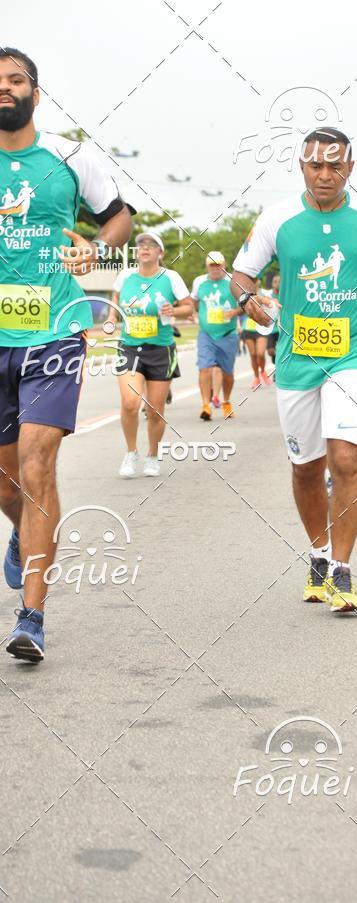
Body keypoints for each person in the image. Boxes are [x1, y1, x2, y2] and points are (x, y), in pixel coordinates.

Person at [231, 127, 357, 613]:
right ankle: (317, 552)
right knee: (306, 468)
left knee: (346, 457)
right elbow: (241, 274)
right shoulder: (278, 219)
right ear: (301, 166)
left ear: (350, 169)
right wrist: (248, 297)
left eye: (335, 166)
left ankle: (342, 570)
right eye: (316, 165)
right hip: (297, 359)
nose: (325, 174)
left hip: (355, 355)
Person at [0, 48, 133, 661]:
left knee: (35, 464)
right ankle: (24, 530)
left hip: (54, 331)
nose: (5, 89)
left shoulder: (69, 156)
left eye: (15, 79)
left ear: (35, 90)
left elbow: (119, 218)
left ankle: (32, 617)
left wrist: (95, 251)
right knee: (7, 481)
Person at [110, 231, 192, 477]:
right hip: (129, 346)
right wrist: (112, 316)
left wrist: (174, 310)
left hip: (160, 348)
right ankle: (131, 452)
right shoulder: (125, 276)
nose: (145, 248)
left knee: (155, 409)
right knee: (130, 403)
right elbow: (116, 298)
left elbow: (189, 307)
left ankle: (153, 455)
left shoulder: (171, 277)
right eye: (141, 244)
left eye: (151, 244)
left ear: (160, 252)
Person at [192, 251, 240, 421]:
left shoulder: (233, 282)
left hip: (228, 333)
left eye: (218, 264)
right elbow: (195, 302)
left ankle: (226, 401)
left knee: (227, 372)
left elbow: (246, 304)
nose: (215, 268)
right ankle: (206, 405)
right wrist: (195, 314)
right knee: (205, 368)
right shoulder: (199, 282)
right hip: (206, 333)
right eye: (212, 265)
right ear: (207, 266)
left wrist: (234, 311)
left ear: (224, 265)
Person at [266, 272, 280, 365]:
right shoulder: (268, 296)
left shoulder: (285, 295)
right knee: (271, 351)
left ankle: (278, 369)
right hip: (270, 329)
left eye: (279, 281)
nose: (277, 283)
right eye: (275, 281)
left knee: (281, 349)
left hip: (282, 328)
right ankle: (276, 365)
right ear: (272, 283)